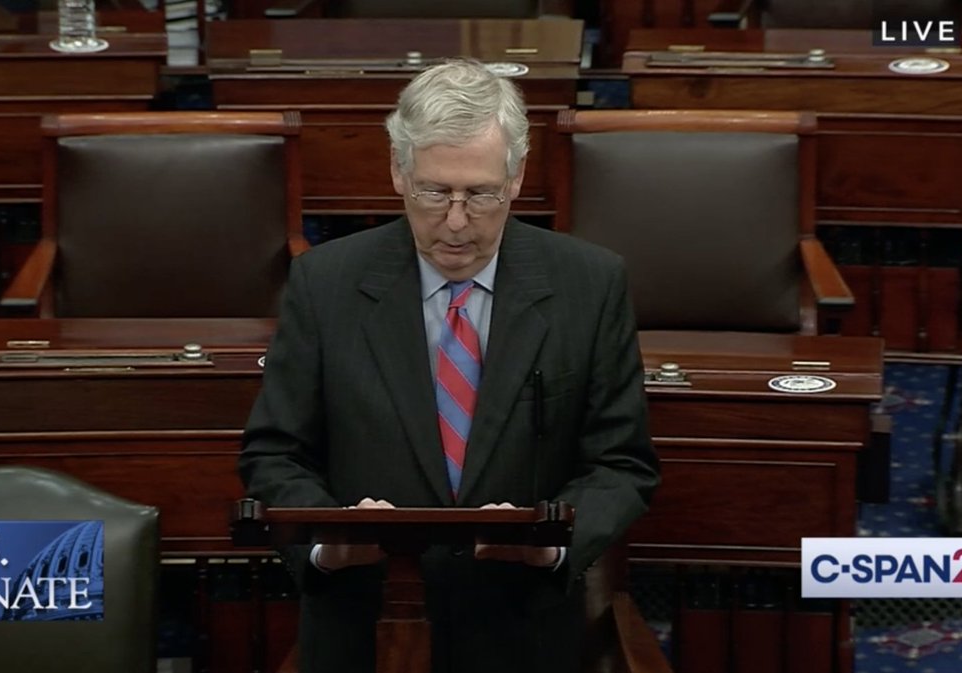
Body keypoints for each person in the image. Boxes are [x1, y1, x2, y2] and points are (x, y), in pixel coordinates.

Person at [239, 59, 659, 673]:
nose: (457, 223)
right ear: (397, 171)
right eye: (434, 192)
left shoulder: (589, 286)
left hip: (523, 633)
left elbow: (622, 463)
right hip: (364, 624)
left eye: (481, 193)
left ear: (516, 177)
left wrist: (550, 544)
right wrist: (330, 543)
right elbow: (273, 453)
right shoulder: (324, 283)